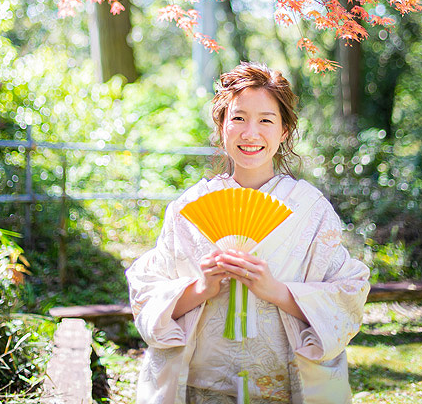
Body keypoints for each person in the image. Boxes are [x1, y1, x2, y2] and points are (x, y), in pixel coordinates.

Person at [126, 62, 370, 404]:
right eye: (238, 118)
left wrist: (278, 291)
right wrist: (201, 287)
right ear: (222, 125)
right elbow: (147, 293)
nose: (250, 133)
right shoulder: (189, 208)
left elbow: (348, 293)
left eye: (266, 120)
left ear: (284, 131)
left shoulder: (310, 210)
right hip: (201, 385)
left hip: (283, 386)